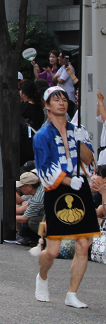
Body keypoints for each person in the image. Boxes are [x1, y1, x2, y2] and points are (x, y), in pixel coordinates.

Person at [33, 85, 98, 308]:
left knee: (83, 244)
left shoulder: (78, 129)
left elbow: (89, 160)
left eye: (64, 99)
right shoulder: (42, 135)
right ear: (47, 105)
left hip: (81, 190)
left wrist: (81, 143)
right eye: (56, 99)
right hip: (57, 190)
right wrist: (69, 181)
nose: (62, 103)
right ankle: (42, 276)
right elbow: (44, 167)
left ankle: (72, 293)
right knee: (53, 250)